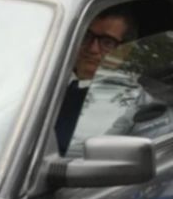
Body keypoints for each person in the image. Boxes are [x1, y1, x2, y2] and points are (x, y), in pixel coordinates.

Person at [56, 8, 137, 154]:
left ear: (125, 50)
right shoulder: (40, 78)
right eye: (86, 36)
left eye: (107, 42)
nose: (92, 48)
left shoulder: (131, 102)